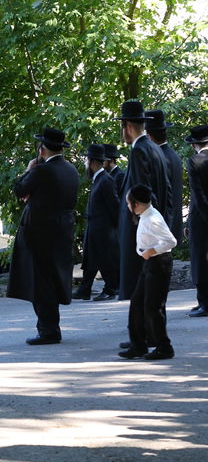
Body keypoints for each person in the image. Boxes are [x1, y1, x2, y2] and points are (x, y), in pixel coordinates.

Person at [6, 127, 80, 345]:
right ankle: (51, 327)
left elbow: (20, 189)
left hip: (39, 232)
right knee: (52, 278)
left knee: (41, 282)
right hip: (62, 230)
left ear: (42, 149)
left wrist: (30, 170)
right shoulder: (71, 170)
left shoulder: (42, 170)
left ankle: (48, 330)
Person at [116, 100, 171, 300]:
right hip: (154, 224)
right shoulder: (154, 147)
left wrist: (142, 229)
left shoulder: (140, 150)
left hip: (142, 229)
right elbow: (168, 190)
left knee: (142, 288)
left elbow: (142, 193)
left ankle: (145, 328)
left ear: (128, 127)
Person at [118, 185, 176, 360]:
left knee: (152, 307)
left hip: (159, 264)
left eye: (129, 203)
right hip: (151, 264)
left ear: (137, 204)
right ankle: (138, 345)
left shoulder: (152, 218)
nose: (128, 206)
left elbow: (170, 241)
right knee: (137, 303)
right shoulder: (146, 215)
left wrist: (152, 251)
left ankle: (164, 347)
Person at [74, 145, 120, 301]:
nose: (86, 164)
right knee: (91, 259)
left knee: (102, 259)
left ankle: (110, 289)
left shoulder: (106, 180)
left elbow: (114, 206)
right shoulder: (99, 179)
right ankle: (84, 289)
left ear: (92, 161)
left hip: (103, 228)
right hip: (96, 226)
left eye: (87, 160)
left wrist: (111, 227)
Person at [145, 109, 185, 243]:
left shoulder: (158, 159)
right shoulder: (174, 156)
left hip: (162, 228)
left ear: (149, 136)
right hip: (173, 225)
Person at [185, 125, 208, 318]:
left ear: (194, 144)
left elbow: (198, 196)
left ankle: (204, 302)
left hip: (201, 219)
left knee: (200, 260)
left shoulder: (195, 161)